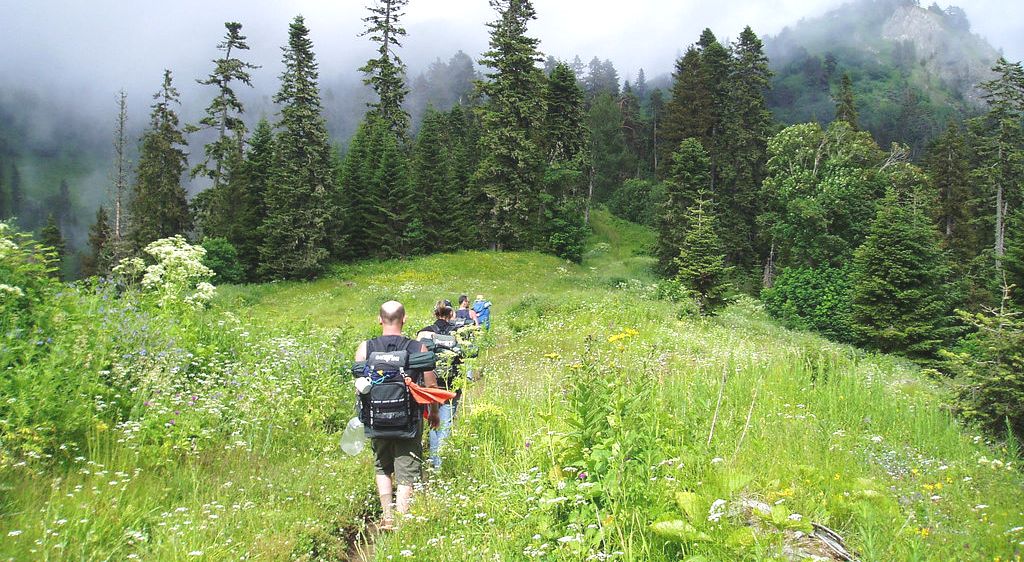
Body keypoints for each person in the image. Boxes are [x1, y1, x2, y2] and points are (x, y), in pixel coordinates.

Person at [354, 300, 439, 530]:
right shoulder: (416, 348)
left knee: (382, 466)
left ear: (380, 319)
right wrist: (433, 413)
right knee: (407, 468)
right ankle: (401, 521)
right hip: (408, 420)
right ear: (404, 319)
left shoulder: (366, 348)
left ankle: (387, 516)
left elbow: (359, 383)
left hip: (376, 419)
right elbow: (431, 384)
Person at [417, 300, 464, 469]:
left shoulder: (423, 333)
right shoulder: (459, 332)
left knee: (432, 422)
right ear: (451, 314)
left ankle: (434, 462)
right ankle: (440, 466)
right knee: (446, 424)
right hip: (452, 385)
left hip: (430, 386)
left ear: (434, 313)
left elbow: (419, 360)